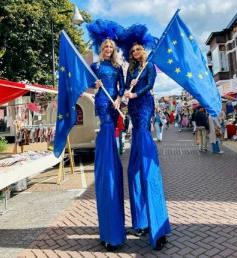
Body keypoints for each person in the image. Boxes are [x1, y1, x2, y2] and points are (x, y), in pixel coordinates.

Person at [123, 25, 171, 251]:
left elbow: (150, 85)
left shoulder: (149, 65)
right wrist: (126, 89)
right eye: (132, 51)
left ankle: (157, 225)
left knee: (146, 169)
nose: (135, 53)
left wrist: (136, 92)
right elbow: (125, 87)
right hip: (132, 108)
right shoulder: (131, 69)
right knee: (133, 171)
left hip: (144, 107)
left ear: (143, 50)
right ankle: (140, 221)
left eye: (138, 50)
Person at [87, 20, 126, 251]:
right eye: (105, 47)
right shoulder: (96, 65)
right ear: (101, 48)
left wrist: (120, 98)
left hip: (114, 104)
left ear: (114, 49)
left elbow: (121, 87)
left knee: (112, 130)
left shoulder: (117, 67)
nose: (108, 49)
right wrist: (95, 84)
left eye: (111, 47)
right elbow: (89, 82)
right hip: (102, 102)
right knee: (106, 128)